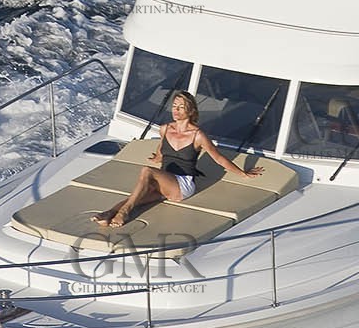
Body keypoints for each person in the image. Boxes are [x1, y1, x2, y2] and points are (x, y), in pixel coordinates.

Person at [91, 91, 264, 230]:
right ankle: (109, 213)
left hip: (182, 185)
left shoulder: (198, 135)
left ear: (190, 111)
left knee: (146, 172)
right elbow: (161, 149)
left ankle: (123, 212)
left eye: (181, 107)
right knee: (136, 197)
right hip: (166, 180)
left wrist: (243, 174)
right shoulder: (165, 129)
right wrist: (158, 156)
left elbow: (218, 158)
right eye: (174, 106)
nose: (176, 110)